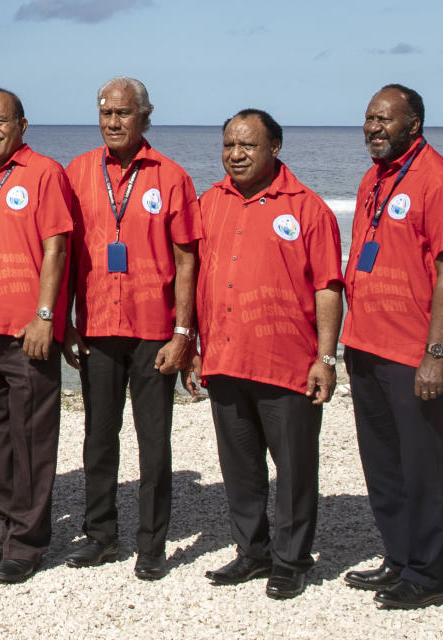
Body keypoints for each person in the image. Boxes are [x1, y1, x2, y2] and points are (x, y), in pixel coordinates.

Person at [185, 109, 343, 599]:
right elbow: (194, 276)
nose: (236, 154)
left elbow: (328, 287)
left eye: (247, 146)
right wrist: (190, 343)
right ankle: (251, 552)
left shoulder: (307, 208)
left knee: (294, 468)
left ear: (275, 147)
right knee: (240, 466)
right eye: (229, 145)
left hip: (288, 364)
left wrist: (327, 357)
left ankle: (292, 560)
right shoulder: (208, 203)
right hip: (225, 360)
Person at [62, 77, 201, 579]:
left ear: (144, 116)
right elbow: (61, 254)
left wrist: (185, 333)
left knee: (153, 440)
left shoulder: (171, 177)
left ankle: (152, 544)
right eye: (105, 113)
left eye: (122, 113)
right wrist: (64, 324)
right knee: (99, 438)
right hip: (97, 326)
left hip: (153, 331)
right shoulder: (77, 173)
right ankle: (100, 535)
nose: (112, 122)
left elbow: (188, 261)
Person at [0, 88, 73, 584]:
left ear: (22, 126)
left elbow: (57, 249)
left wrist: (46, 316)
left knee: (30, 438)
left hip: (28, 332)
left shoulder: (45, 173)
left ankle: (28, 543)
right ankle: (8, 527)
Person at [341, 84, 443, 609]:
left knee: (423, 465)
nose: (373, 128)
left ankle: (429, 572)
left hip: (412, 352)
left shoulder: (434, 177)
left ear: (414, 126)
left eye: (384, 119)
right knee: (382, 463)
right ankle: (398, 556)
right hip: (365, 343)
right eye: (369, 118)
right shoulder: (371, 179)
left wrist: (436, 353)